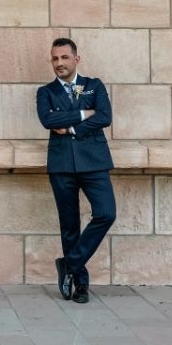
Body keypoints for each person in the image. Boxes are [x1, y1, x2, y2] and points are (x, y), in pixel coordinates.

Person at [35, 37, 116, 304]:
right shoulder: (45, 92)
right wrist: (84, 114)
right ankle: (80, 284)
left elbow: (104, 116)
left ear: (76, 59)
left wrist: (70, 127)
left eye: (64, 57)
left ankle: (69, 264)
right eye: (55, 58)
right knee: (69, 226)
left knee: (106, 213)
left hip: (94, 162)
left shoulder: (94, 86)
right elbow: (48, 119)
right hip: (61, 165)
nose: (59, 63)